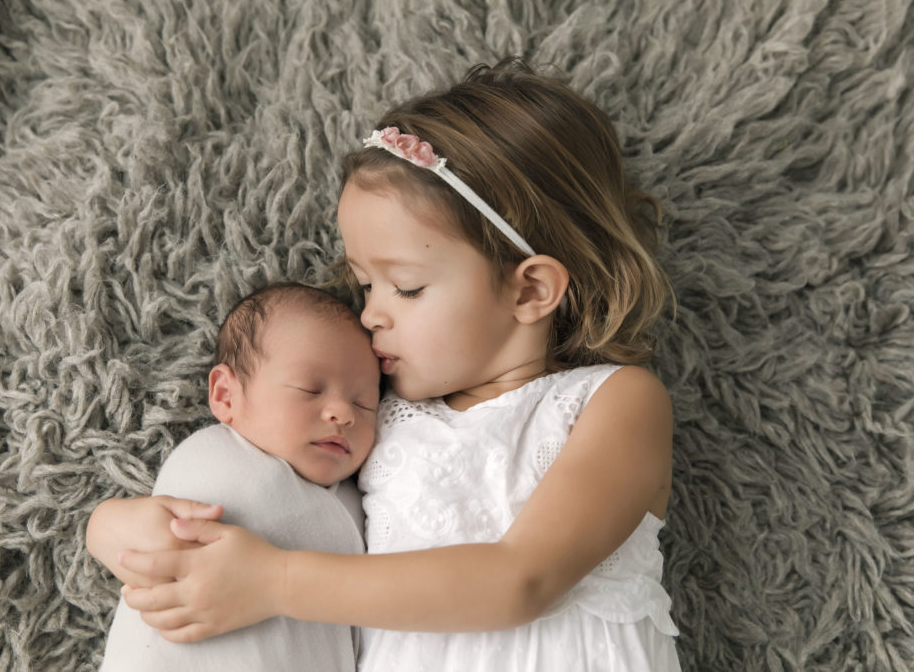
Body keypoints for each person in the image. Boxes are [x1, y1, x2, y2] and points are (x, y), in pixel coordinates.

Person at [99, 58, 681, 671]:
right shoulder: (371, 412)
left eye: (405, 288)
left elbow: (523, 580)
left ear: (530, 290)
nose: (371, 314)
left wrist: (276, 581)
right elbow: (265, 484)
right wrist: (113, 527)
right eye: (363, 284)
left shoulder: (614, 402)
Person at [87, 282, 381, 671]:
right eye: (310, 389)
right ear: (226, 395)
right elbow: (128, 539)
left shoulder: (366, 502)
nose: (344, 414)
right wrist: (105, 524)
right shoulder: (213, 456)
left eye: (364, 403)